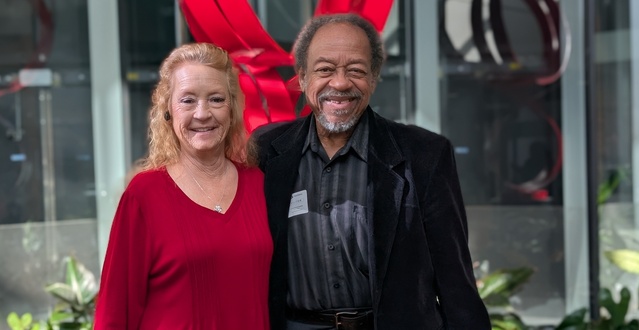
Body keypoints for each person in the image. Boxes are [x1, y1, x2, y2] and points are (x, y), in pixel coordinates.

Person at [252, 14, 491, 329]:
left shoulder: (424, 155)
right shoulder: (266, 151)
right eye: (324, 69)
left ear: (374, 78)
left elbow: (454, 279)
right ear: (302, 77)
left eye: (356, 71)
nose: (339, 83)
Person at [94, 43, 272, 330]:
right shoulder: (144, 195)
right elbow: (115, 312)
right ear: (168, 111)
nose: (202, 114)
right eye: (188, 101)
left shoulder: (259, 184)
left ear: (232, 108)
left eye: (216, 99)